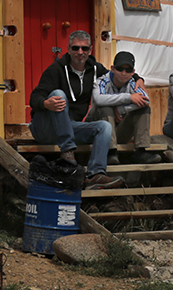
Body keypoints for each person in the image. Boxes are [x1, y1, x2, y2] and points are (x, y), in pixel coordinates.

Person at [29, 30, 125, 189]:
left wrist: (138, 79)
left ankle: (96, 174)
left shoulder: (95, 69)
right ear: (68, 49)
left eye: (84, 48)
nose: (80, 52)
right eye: (75, 48)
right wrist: (46, 104)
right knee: (58, 94)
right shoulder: (56, 69)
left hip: (68, 126)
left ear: (90, 50)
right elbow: (35, 97)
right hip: (45, 128)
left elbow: (118, 77)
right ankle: (67, 153)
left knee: (104, 126)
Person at [88, 50, 162, 165]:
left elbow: (146, 100)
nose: (123, 73)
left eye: (128, 70)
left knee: (143, 108)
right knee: (105, 108)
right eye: (120, 69)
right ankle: (110, 152)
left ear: (133, 72)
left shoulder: (133, 82)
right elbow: (98, 99)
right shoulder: (102, 81)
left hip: (119, 132)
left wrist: (119, 109)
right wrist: (128, 98)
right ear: (112, 68)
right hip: (97, 134)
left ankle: (141, 151)